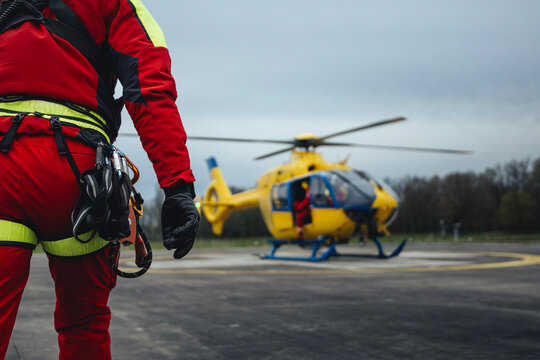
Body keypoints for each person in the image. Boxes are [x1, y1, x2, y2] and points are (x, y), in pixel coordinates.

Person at [0, 0, 200, 358]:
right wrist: (177, 187)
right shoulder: (117, 4)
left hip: (2, 165)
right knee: (85, 325)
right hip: (79, 177)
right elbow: (151, 87)